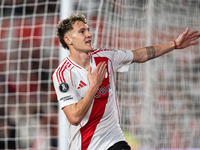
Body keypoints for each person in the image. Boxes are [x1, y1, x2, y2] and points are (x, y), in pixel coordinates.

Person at [52, 14, 200, 150]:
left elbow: (140, 54)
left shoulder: (106, 57)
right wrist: (94, 86)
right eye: (82, 31)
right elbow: (74, 117)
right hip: (85, 145)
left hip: (113, 139)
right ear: (68, 40)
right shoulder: (63, 74)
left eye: (88, 30)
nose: (89, 34)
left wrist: (174, 44)